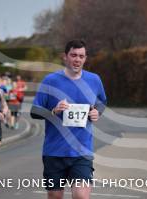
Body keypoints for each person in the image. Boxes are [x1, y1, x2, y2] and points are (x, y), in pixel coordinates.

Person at [30, 39, 107, 199]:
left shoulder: (94, 80)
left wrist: (97, 112)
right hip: (54, 151)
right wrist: (54, 110)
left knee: (81, 196)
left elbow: (101, 102)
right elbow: (34, 111)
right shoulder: (51, 80)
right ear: (65, 57)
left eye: (81, 56)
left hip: (82, 151)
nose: (77, 59)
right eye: (73, 55)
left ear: (85, 58)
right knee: (55, 196)